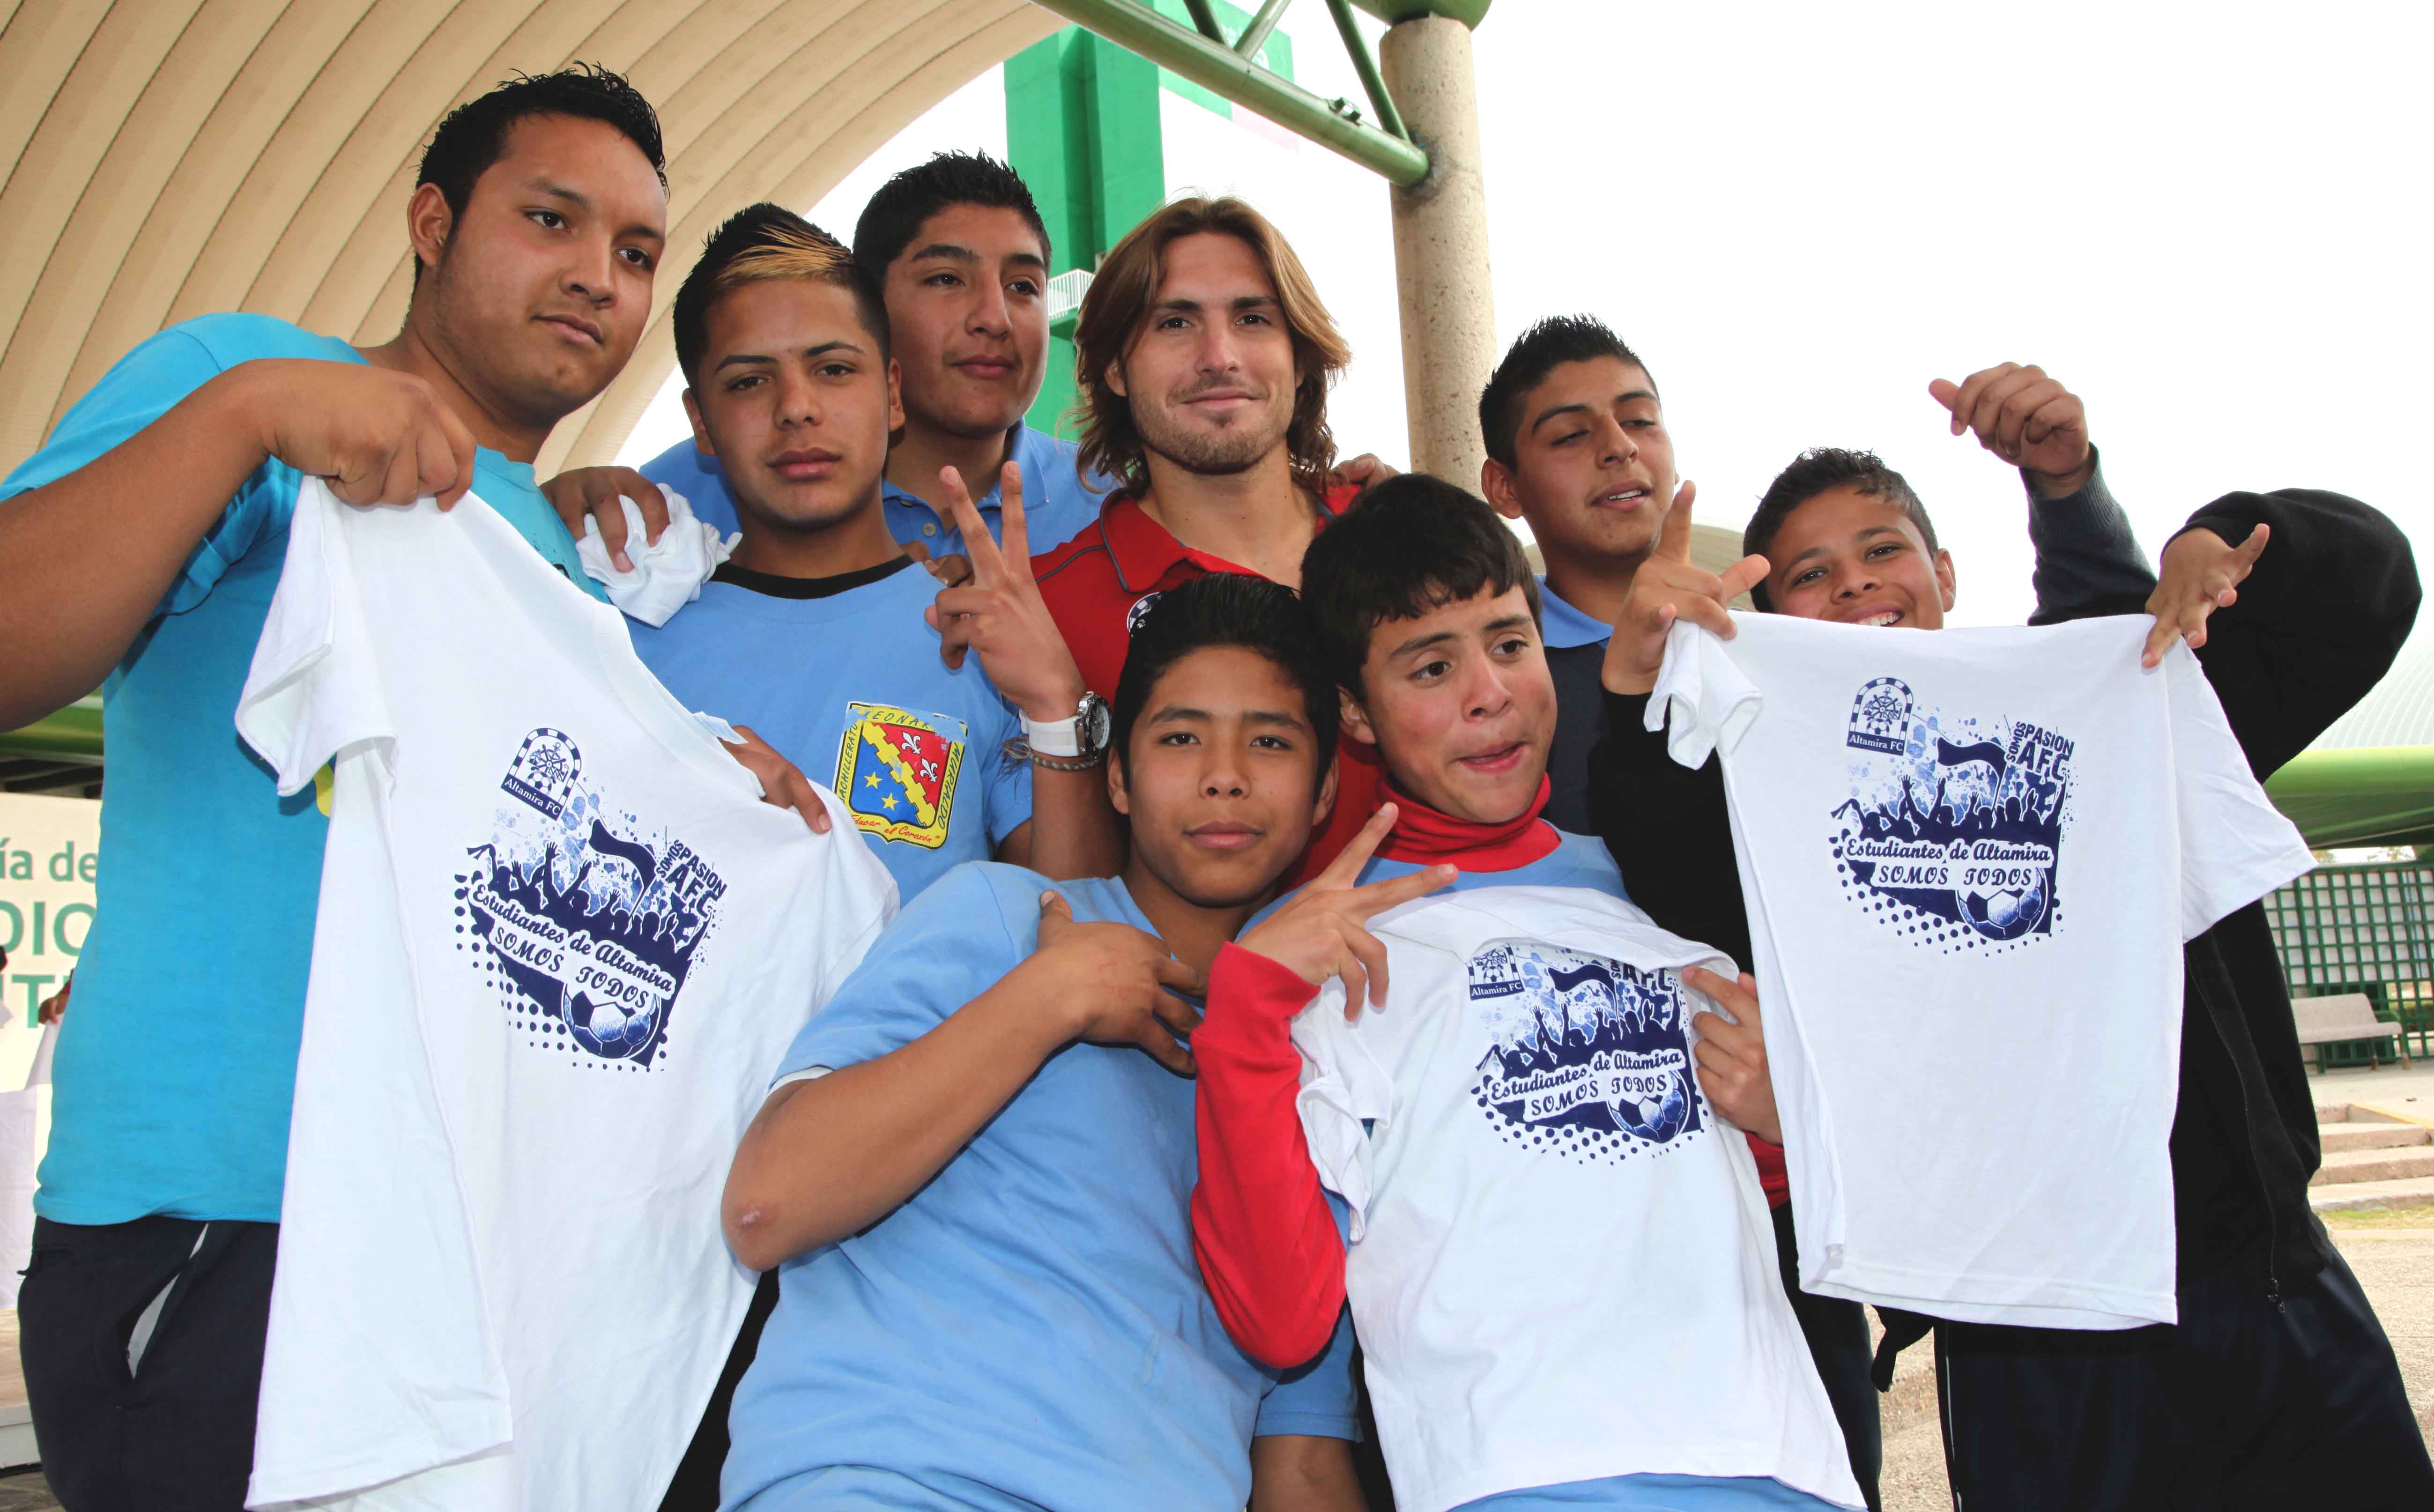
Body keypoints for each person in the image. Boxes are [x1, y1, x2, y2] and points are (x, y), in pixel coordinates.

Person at [0, 66, 808, 1511]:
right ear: (432, 221)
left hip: (495, 1264)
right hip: (234, 1222)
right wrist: (244, 416)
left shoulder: (566, 570)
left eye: (635, 254)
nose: (596, 279)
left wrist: (706, 795)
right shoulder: (247, 383)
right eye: (551, 219)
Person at [1588, 413, 2434, 1510]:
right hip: (2019, 1347)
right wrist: (1629, 688)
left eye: (1881, 549)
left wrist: (2207, 535)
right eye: (1809, 572)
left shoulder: (2116, 698)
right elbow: (1671, 862)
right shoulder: (1783, 803)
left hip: (2258, 1297)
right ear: (1767, 617)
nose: (1852, 585)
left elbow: (2367, 588)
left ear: (1942, 569)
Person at [1190, 475, 1856, 1512]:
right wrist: (1243, 1016)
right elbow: (1281, 1322)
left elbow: (1831, 1200)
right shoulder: (1322, 953)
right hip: (1520, 1483)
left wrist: (1790, 1119)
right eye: (1430, 666)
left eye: (1509, 643)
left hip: (1780, 1472)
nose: (1488, 693)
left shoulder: (1660, 890)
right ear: (1355, 715)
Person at [715, 572, 1367, 1511]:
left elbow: (1301, 1457)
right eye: (1181, 737)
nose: (1225, 774)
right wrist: (1052, 996)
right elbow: (767, 1206)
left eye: (1270, 741)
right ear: (1117, 776)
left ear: (1324, 791)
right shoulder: (999, 918)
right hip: (891, 1483)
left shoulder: (1330, 1066)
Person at [627, 203, 1119, 896]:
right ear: (701, 424)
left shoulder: (980, 643)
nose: (796, 407)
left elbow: (1077, 923)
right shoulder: (624, 640)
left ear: (892, 394)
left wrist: (1055, 699)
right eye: (748, 381)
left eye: (833, 369)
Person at [1032, 195, 1382, 884]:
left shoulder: (1398, 539)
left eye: (1252, 318)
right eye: (1175, 322)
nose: (1219, 357)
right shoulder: (1047, 611)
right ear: (1114, 368)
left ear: (1300, 353)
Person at [565, 151, 1108, 565]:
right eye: (946, 279)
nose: (995, 318)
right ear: (867, 309)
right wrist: (558, 509)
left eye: (1023, 286)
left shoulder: (1112, 504)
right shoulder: (683, 496)